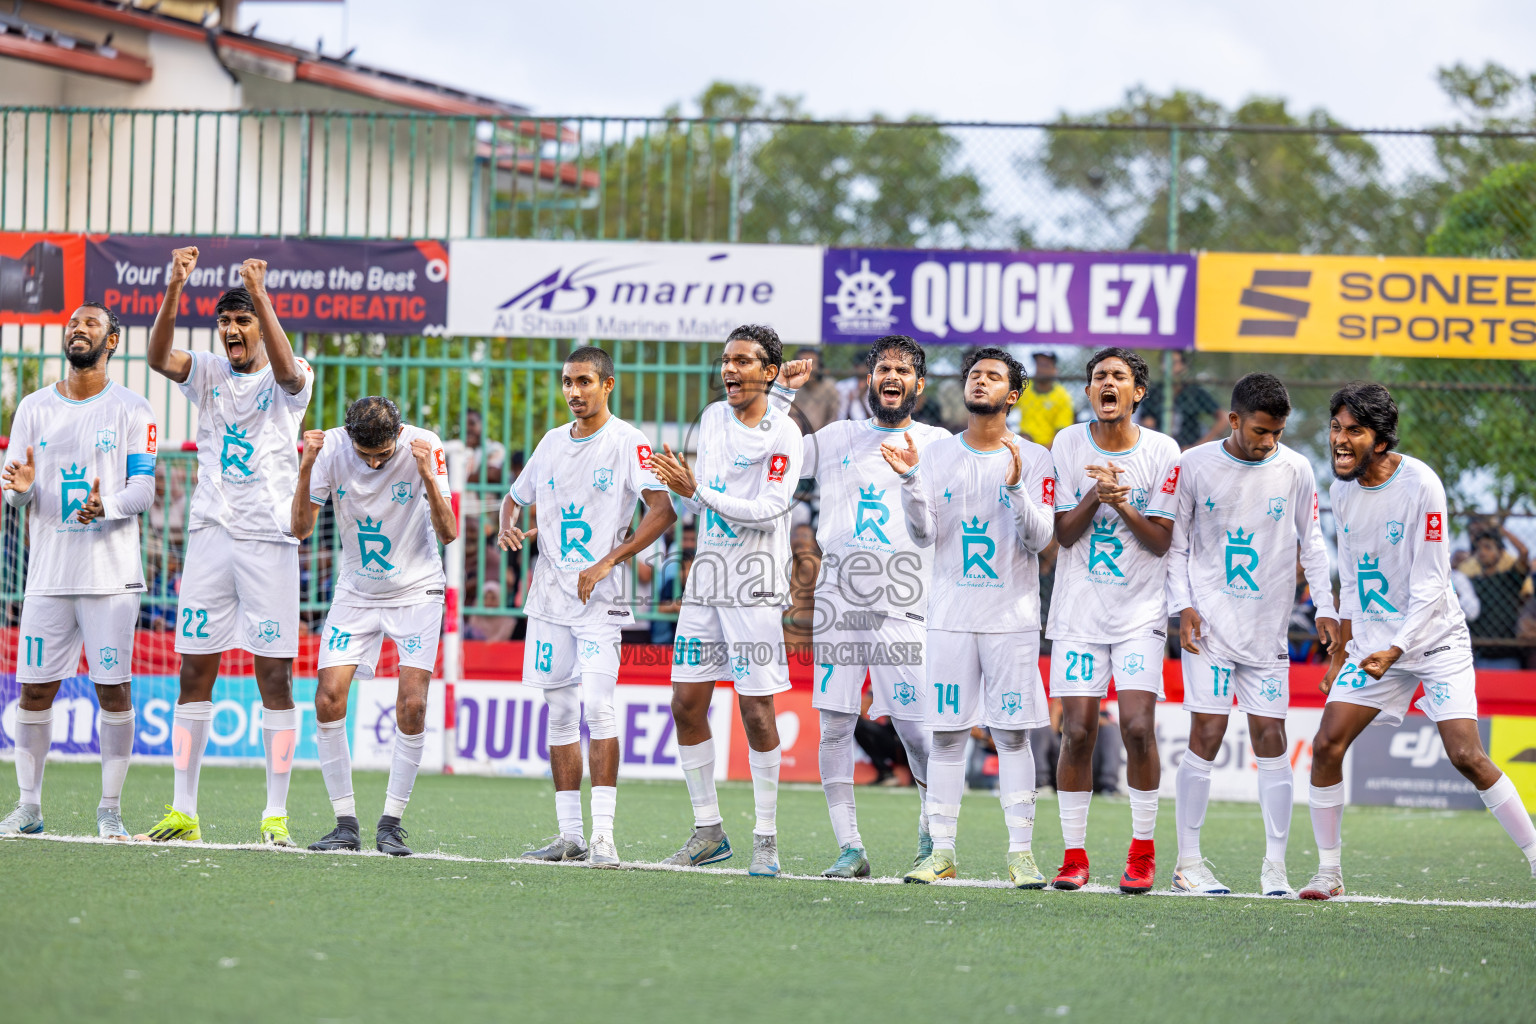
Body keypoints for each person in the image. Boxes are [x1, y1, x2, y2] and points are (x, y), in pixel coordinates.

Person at [1299, 382, 1536, 900]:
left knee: (1466, 755)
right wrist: (1342, 653)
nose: (1339, 440)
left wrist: (1399, 649)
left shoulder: (1422, 484)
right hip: (1374, 648)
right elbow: (1355, 579)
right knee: (1325, 746)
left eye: (1353, 431)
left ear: (1380, 441)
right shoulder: (1340, 492)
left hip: (1434, 641)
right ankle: (1329, 873)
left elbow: (1433, 584)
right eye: (1336, 428)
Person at [136, 246, 313, 846]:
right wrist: (174, 289)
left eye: (242, 321)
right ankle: (183, 809)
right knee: (194, 671)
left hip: (268, 541)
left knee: (275, 677)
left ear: (261, 327)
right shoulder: (209, 372)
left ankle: (275, 813)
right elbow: (159, 356)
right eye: (226, 321)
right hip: (211, 537)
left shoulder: (293, 373)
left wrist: (261, 295)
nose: (232, 330)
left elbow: (288, 376)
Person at [881, 346, 1056, 887]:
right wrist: (911, 484)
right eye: (974, 374)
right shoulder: (935, 455)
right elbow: (923, 534)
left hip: (1013, 619)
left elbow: (1040, 539)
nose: (980, 381)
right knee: (949, 736)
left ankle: (1021, 853)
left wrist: (1016, 487)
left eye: (993, 376)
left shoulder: (1036, 458)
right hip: (951, 616)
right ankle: (943, 851)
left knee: (1011, 737)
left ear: (1014, 394)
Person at [777, 335, 951, 878]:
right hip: (838, 600)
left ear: (918, 385)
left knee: (917, 730)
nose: (891, 376)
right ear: (869, 380)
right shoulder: (837, 437)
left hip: (905, 601)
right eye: (883, 368)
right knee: (834, 723)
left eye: (902, 369)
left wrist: (910, 478)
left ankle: (933, 833)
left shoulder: (938, 443)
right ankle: (850, 847)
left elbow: (928, 532)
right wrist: (782, 396)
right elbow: (777, 462)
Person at [1164, 373, 1340, 897]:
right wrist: (1183, 607)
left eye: (1278, 433)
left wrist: (1326, 607)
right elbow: (1174, 548)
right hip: (1209, 630)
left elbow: (1313, 542)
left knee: (1272, 741)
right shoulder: (1194, 464)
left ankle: (1275, 869)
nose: (1269, 442)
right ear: (1235, 420)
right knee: (1207, 737)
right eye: (1260, 431)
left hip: (1267, 632)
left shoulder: (1297, 468)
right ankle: (1188, 864)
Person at [499, 347, 676, 866]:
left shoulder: (628, 442)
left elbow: (662, 511)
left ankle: (604, 836)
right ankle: (569, 835)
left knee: (598, 706)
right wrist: (510, 524)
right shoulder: (552, 442)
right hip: (550, 601)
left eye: (584, 381)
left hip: (600, 603)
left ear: (608, 385)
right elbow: (515, 495)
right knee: (558, 713)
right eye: (567, 382)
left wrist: (608, 561)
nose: (574, 392)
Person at [648, 324, 802, 877]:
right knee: (685, 704)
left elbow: (770, 508)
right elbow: (700, 504)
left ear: (769, 371)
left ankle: (766, 837)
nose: (730, 370)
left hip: (755, 585)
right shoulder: (713, 418)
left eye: (743, 361)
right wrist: (680, 490)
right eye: (725, 361)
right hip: (706, 580)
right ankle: (708, 830)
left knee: (756, 708)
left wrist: (699, 493)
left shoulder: (788, 434)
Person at [0, 303, 157, 837]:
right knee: (34, 692)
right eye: (72, 323)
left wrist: (105, 505)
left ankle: (110, 810)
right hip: (47, 575)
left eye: (91, 323)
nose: (78, 329)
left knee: (113, 691)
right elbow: (18, 491)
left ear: (111, 340)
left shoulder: (134, 409)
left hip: (110, 577)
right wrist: (19, 493)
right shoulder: (33, 407)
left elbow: (143, 490)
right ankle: (29, 808)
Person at [291, 397, 457, 856]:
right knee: (327, 698)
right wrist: (305, 468)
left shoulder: (425, 445)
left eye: (383, 453)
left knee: (414, 705)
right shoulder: (330, 449)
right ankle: (345, 823)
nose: (376, 462)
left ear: (398, 434)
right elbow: (300, 529)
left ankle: (390, 823)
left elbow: (448, 533)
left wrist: (427, 477)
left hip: (417, 590)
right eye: (366, 455)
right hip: (357, 592)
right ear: (350, 439)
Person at [1046, 347, 1181, 894]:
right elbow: (1064, 534)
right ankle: (1074, 856)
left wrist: (1123, 504)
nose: (1107, 383)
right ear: (1090, 391)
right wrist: (1096, 498)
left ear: (1137, 392)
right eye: (1099, 376)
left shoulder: (1164, 451)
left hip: (1139, 614)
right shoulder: (1067, 444)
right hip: (1079, 613)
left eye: (1118, 377)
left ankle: (1142, 852)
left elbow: (1160, 543)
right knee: (1075, 733)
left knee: (1138, 728)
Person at [1462, 520, 1530, 670]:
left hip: (1507, 655)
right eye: (1479, 548)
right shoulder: (1471, 583)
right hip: (1477, 656)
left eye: (1488, 547)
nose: (1483, 552)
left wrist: (1502, 530)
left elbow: (1524, 552)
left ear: (1500, 552)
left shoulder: (1509, 579)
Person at [1141, 351, 1227, 451]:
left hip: (1189, 449)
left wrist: (1199, 446)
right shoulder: (1154, 392)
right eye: (1165, 362)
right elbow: (1147, 423)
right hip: (1161, 450)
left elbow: (1223, 418)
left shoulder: (1194, 392)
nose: (1170, 367)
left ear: (1183, 366)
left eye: (1174, 363)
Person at [1013, 352, 1076, 447]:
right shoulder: (1024, 387)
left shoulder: (1063, 397)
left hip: (1047, 449)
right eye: (1039, 364)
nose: (1041, 369)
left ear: (1054, 370)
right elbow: (1003, 408)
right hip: (1023, 442)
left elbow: (1061, 434)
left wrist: (1041, 452)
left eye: (1045, 365)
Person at [785, 347, 840, 434]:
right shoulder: (791, 387)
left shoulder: (829, 387)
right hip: (798, 437)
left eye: (812, 363)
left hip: (824, 436)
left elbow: (834, 417)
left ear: (819, 366)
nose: (807, 368)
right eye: (802, 363)